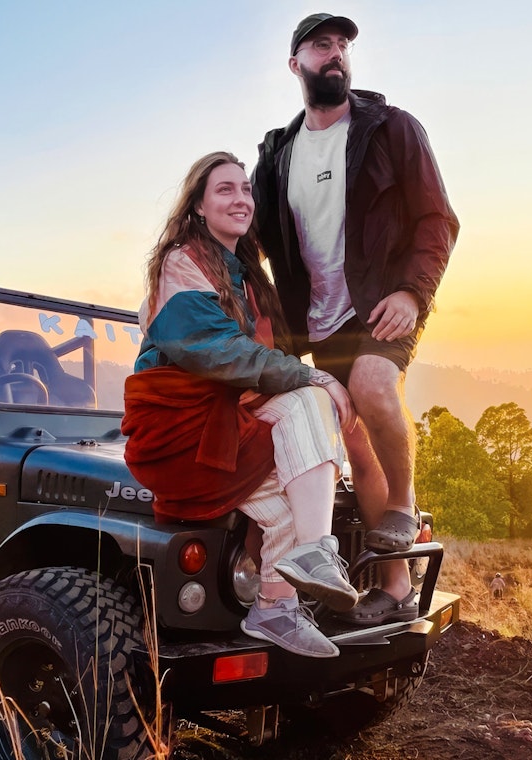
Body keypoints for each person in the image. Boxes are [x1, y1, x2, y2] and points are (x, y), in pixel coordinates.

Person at [253, 13, 459, 625]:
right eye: (322, 45)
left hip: (385, 304)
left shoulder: (392, 130)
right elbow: (261, 240)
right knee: (353, 442)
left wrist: (413, 295)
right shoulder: (277, 156)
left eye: (343, 45)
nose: (336, 53)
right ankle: (393, 587)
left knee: (372, 385)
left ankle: (404, 503)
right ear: (297, 64)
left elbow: (437, 221)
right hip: (315, 322)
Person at [123, 151, 360, 659]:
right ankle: (317, 555)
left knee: (297, 496)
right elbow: (215, 349)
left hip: (227, 420)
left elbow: (269, 353)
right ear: (199, 208)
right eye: (224, 189)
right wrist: (312, 375)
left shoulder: (248, 277)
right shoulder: (181, 263)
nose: (240, 198)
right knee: (304, 398)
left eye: (245, 189)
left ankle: (275, 606)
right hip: (179, 429)